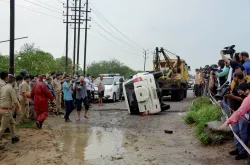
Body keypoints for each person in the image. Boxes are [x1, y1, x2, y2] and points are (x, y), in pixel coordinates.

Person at [224, 71, 249, 160]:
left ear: (236, 77)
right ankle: (238, 148)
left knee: (243, 132)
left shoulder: (246, 86)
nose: (233, 79)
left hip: (242, 113)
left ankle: (243, 152)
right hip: (235, 112)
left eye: (234, 77)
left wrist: (232, 97)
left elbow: (244, 100)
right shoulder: (236, 86)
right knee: (236, 131)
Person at [0, 76, 21, 150]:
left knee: (12, 123)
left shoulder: (3, 87)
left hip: (1, 109)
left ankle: (14, 137)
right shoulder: (11, 89)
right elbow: (15, 100)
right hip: (6, 110)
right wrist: (19, 107)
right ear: (13, 82)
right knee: (2, 127)